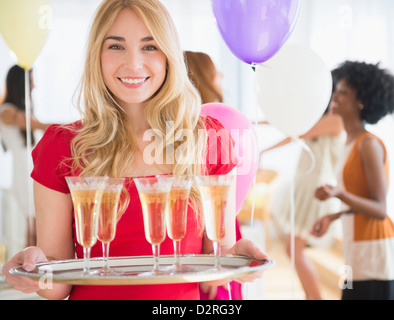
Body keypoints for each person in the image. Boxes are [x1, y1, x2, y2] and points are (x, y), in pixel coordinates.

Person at [2, 0, 267, 300]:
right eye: (116, 46)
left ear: (168, 55)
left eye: (150, 46)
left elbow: (213, 271)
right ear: (96, 56)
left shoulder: (208, 140)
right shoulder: (62, 147)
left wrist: (237, 259)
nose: (133, 64)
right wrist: (37, 269)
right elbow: (58, 285)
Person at [312, 61, 394, 300]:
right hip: (357, 247)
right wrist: (333, 216)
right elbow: (361, 201)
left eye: (344, 91)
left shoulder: (368, 144)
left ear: (361, 102)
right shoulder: (350, 142)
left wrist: (338, 194)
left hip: (373, 251)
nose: (335, 94)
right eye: (337, 88)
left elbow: (379, 209)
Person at [260, 106, 345, 300]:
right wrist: (257, 121)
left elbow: (295, 131)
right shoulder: (319, 118)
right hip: (305, 188)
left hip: (317, 191)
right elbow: (291, 125)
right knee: (293, 249)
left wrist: (262, 151)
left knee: (293, 250)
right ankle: (311, 296)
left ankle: (313, 297)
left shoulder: (335, 120)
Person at [185, 50, 243, 300]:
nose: (221, 74)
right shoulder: (199, 128)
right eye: (214, 70)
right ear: (202, 76)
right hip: (203, 219)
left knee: (219, 285)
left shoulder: (220, 122)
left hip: (223, 215)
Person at [0, 65, 51, 250]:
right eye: (31, 81)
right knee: (35, 227)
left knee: (33, 227)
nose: (34, 86)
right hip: (24, 173)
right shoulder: (7, 111)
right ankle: (31, 271)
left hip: (30, 170)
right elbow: (41, 126)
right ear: (20, 84)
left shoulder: (19, 111)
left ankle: (28, 271)